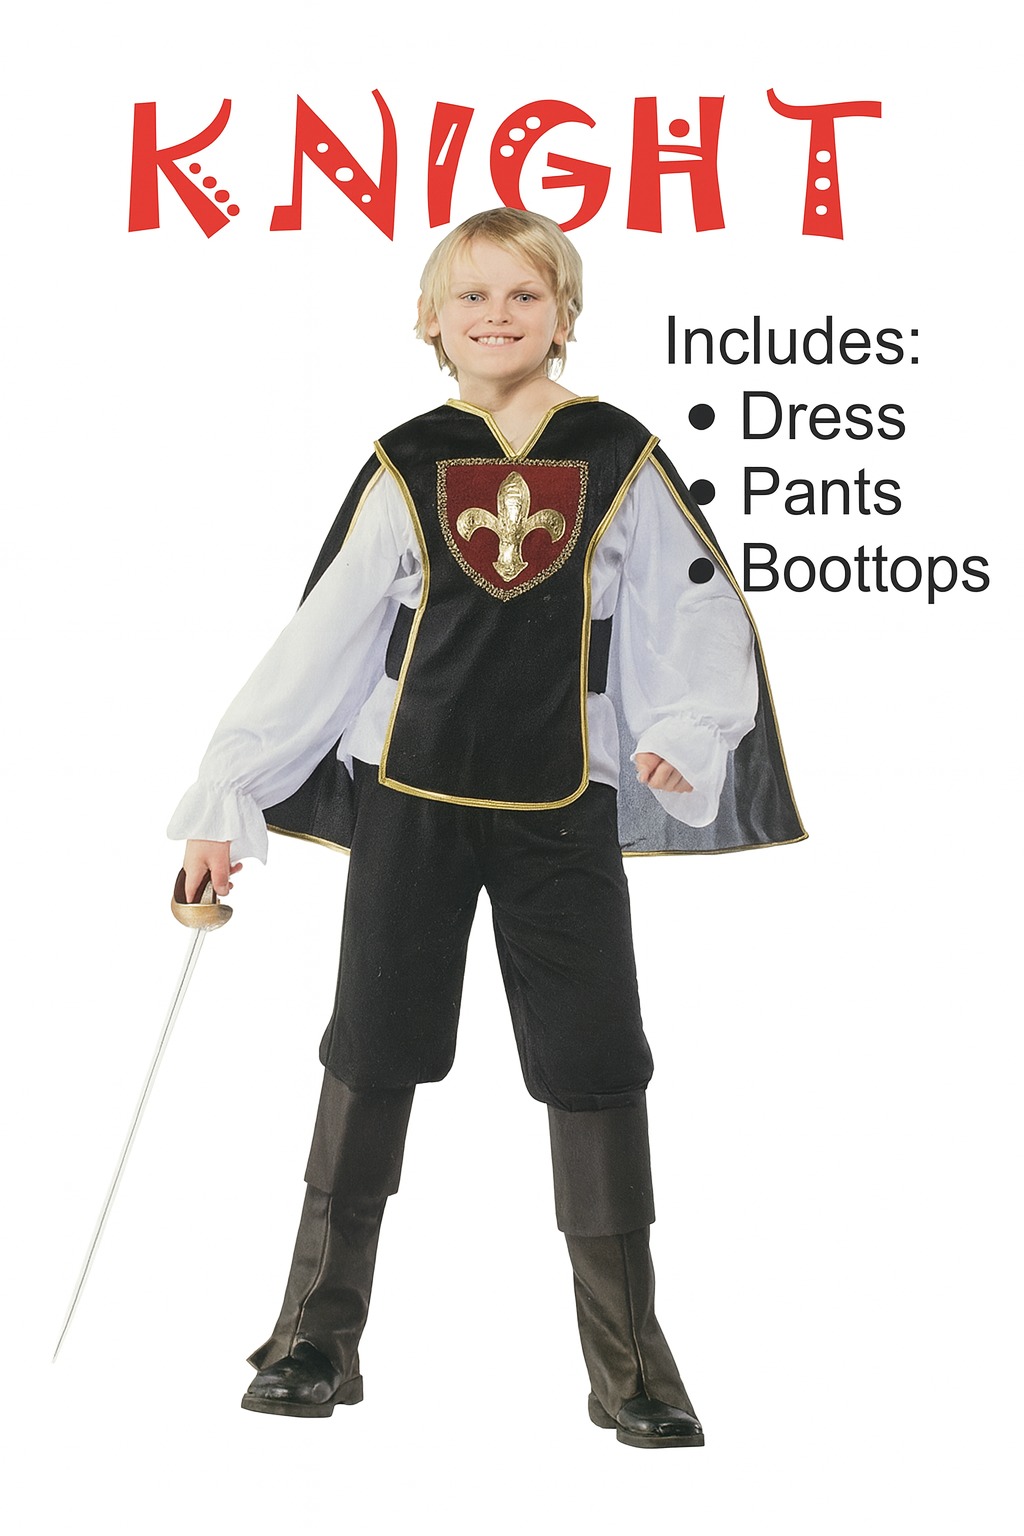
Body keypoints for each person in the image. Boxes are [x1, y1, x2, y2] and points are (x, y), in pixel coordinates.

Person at [169, 207, 804, 1448]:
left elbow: (688, 617)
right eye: (471, 297)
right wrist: (226, 792)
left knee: (594, 1055)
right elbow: (328, 638)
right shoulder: (407, 461)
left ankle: (630, 1363)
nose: (496, 317)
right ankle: (313, 1337)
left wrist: (682, 730)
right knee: (371, 1042)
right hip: (411, 801)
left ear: (563, 313)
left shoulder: (617, 455)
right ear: (430, 319)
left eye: (523, 295)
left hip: (561, 805)